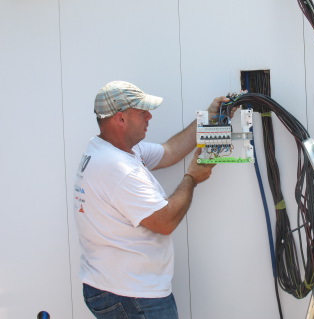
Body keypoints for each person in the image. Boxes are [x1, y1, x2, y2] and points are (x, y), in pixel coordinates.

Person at [74, 80, 232, 319]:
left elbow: (170, 151)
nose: (149, 116)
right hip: (131, 296)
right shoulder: (117, 168)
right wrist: (192, 177)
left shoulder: (112, 150)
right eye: (142, 112)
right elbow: (165, 222)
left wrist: (209, 117)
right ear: (121, 119)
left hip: (112, 286)